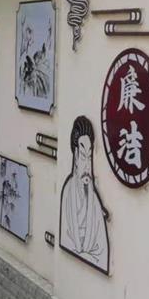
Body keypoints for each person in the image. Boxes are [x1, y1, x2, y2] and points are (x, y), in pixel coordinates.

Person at [58, 115, 110, 269]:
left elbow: (101, 253)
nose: (87, 165)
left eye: (89, 156)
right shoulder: (67, 193)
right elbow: (67, 241)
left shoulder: (94, 203)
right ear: (74, 156)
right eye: (82, 156)